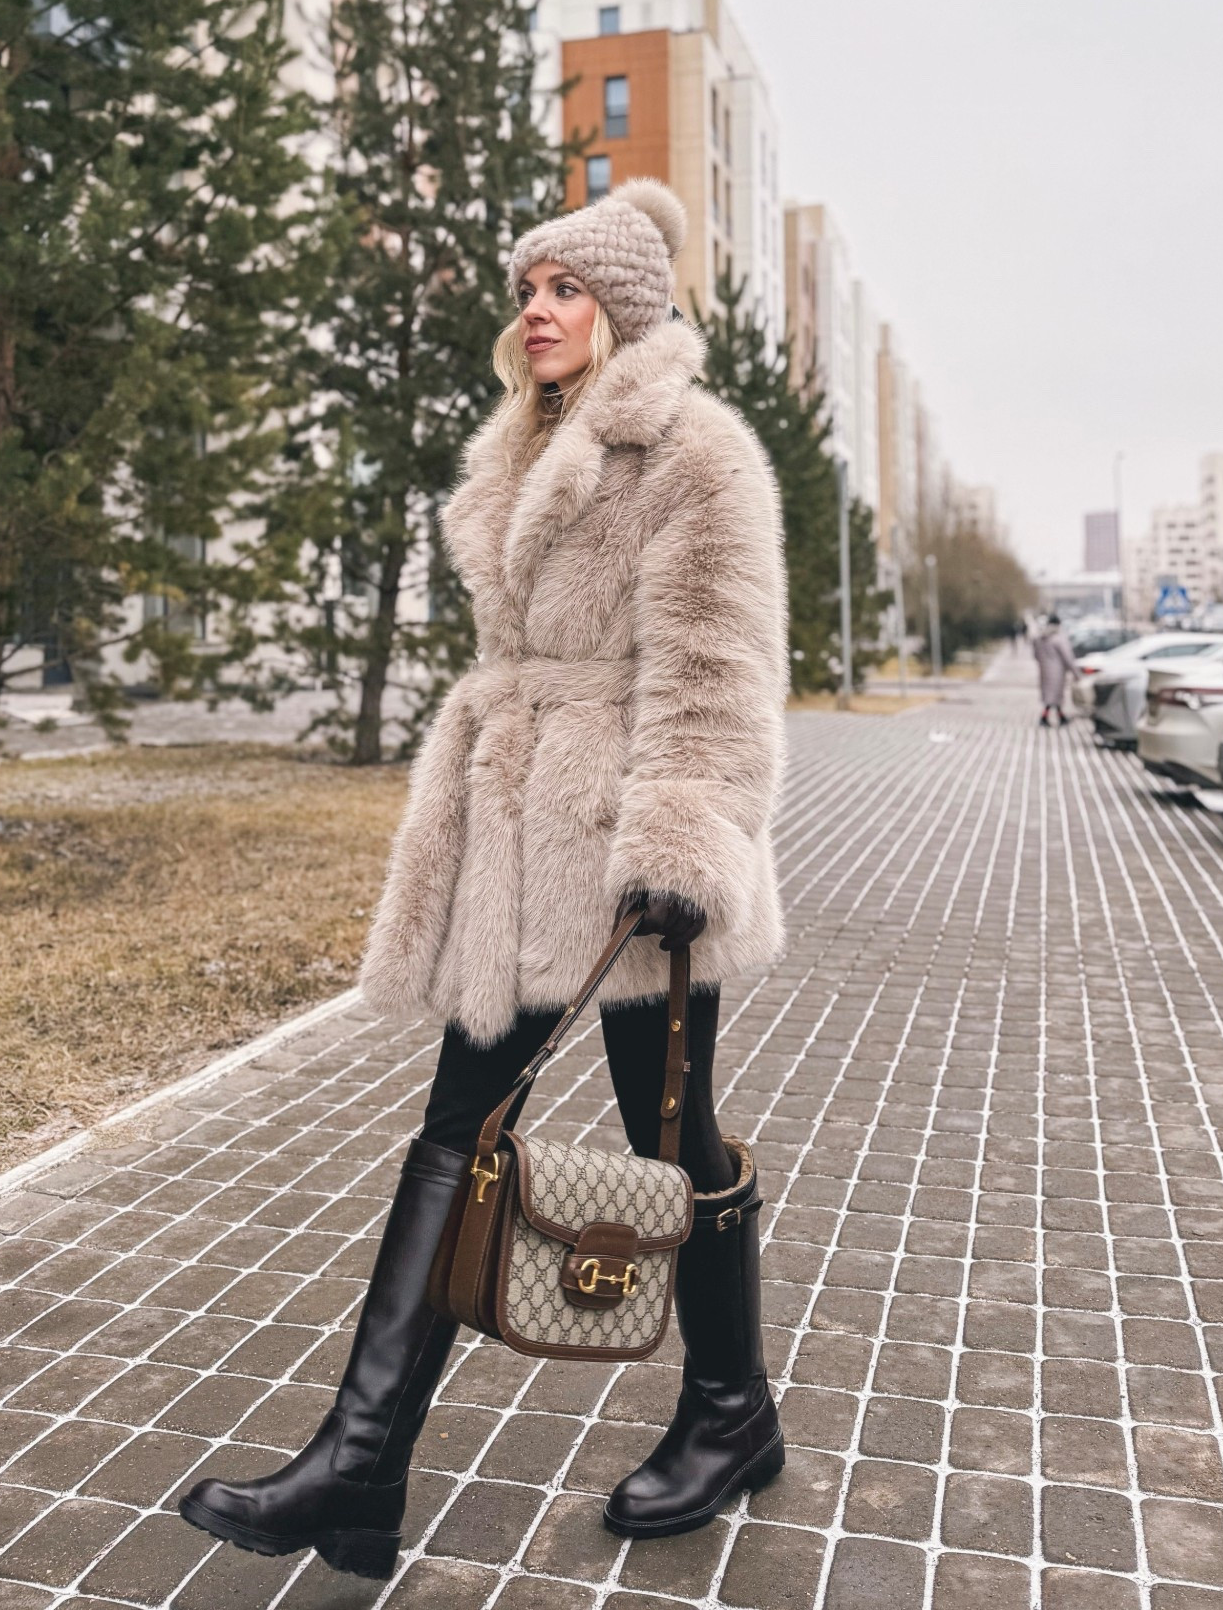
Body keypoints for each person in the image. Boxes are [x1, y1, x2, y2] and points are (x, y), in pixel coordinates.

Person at [179, 179, 790, 1576]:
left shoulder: (695, 453)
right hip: (526, 837)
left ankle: (718, 1410)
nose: (536, 308)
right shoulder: (528, 446)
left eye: (565, 287)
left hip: (632, 847)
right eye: (529, 286)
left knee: (667, 1139)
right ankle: (367, 1465)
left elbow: (718, 666)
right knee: (475, 1128)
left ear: (623, 308)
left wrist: (682, 841)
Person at [1034, 613, 1078, 725]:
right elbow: (1068, 656)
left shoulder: (1040, 638)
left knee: (1051, 695)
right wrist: (1076, 673)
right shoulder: (1058, 638)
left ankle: (1059, 717)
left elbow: (1035, 655)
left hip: (1044, 670)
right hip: (1057, 671)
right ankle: (1047, 717)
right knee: (1056, 695)